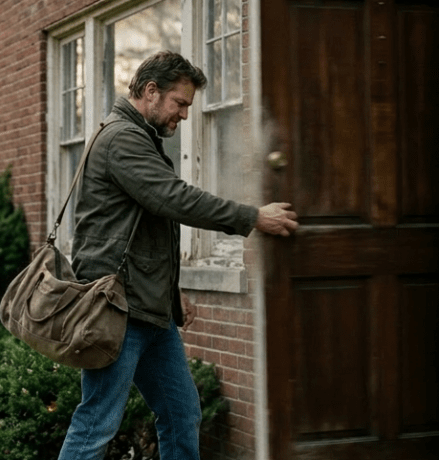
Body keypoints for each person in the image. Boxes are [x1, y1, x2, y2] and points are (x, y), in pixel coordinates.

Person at [58, 51, 298, 460]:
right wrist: (253, 216)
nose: (184, 115)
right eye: (180, 103)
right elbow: (174, 199)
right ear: (151, 91)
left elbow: (149, 227)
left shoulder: (140, 138)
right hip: (117, 310)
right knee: (97, 422)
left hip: (149, 310)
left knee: (181, 412)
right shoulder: (122, 139)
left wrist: (171, 292)